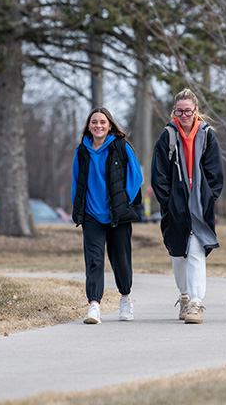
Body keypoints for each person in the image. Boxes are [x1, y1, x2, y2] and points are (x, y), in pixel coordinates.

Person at [151, 89, 224, 324]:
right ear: (175, 111)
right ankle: (184, 297)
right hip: (175, 206)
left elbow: (216, 174)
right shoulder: (167, 136)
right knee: (177, 254)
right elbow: (158, 174)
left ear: (196, 111)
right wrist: (168, 201)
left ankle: (195, 304)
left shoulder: (207, 136)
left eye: (188, 110)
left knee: (195, 251)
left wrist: (207, 198)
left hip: (200, 206)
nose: (184, 114)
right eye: (180, 110)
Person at [71, 107, 143, 324]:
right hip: (92, 214)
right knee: (93, 260)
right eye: (94, 122)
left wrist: (124, 200)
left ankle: (125, 299)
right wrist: (79, 208)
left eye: (102, 122)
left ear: (109, 125)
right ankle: (94, 306)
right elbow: (76, 181)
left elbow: (136, 177)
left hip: (117, 214)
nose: (98, 126)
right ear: (89, 126)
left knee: (120, 260)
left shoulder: (120, 146)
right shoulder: (82, 151)